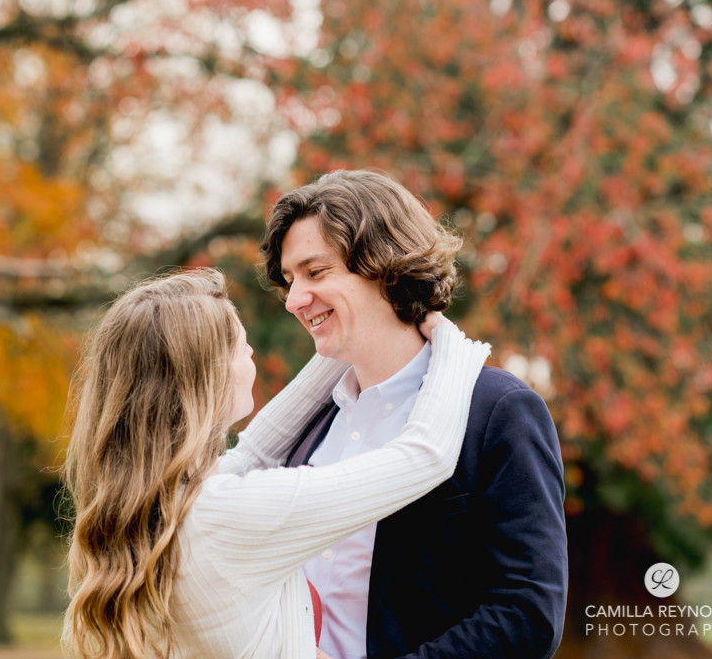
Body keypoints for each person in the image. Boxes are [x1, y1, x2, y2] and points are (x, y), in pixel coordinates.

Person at [60, 268, 491, 659]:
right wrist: (454, 347)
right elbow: (424, 457)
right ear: (205, 377)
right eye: (239, 346)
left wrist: (353, 330)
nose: (250, 354)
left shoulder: (160, 506)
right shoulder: (228, 514)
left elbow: (253, 453)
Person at [259, 169, 568, 659]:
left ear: (387, 265)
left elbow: (527, 615)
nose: (295, 300)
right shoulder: (308, 428)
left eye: (316, 273)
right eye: (290, 280)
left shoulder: (498, 411)